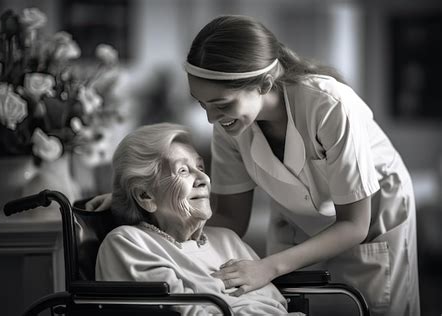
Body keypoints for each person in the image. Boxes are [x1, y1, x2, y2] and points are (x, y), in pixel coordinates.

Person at [89, 15, 420, 316]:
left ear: (264, 84)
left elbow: (353, 224)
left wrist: (269, 266)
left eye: (222, 104)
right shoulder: (229, 128)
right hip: (296, 216)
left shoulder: (329, 105)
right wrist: (139, 203)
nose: (211, 118)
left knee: (376, 305)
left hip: (372, 217)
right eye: (202, 104)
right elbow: (231, 219)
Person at [95, 123, 301, 315]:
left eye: (200, 168)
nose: (204, 179)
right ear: (145, 196)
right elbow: (183, 311)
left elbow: (277, 302)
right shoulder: (130, 243)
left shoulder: (226, 239)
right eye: (183, 171)